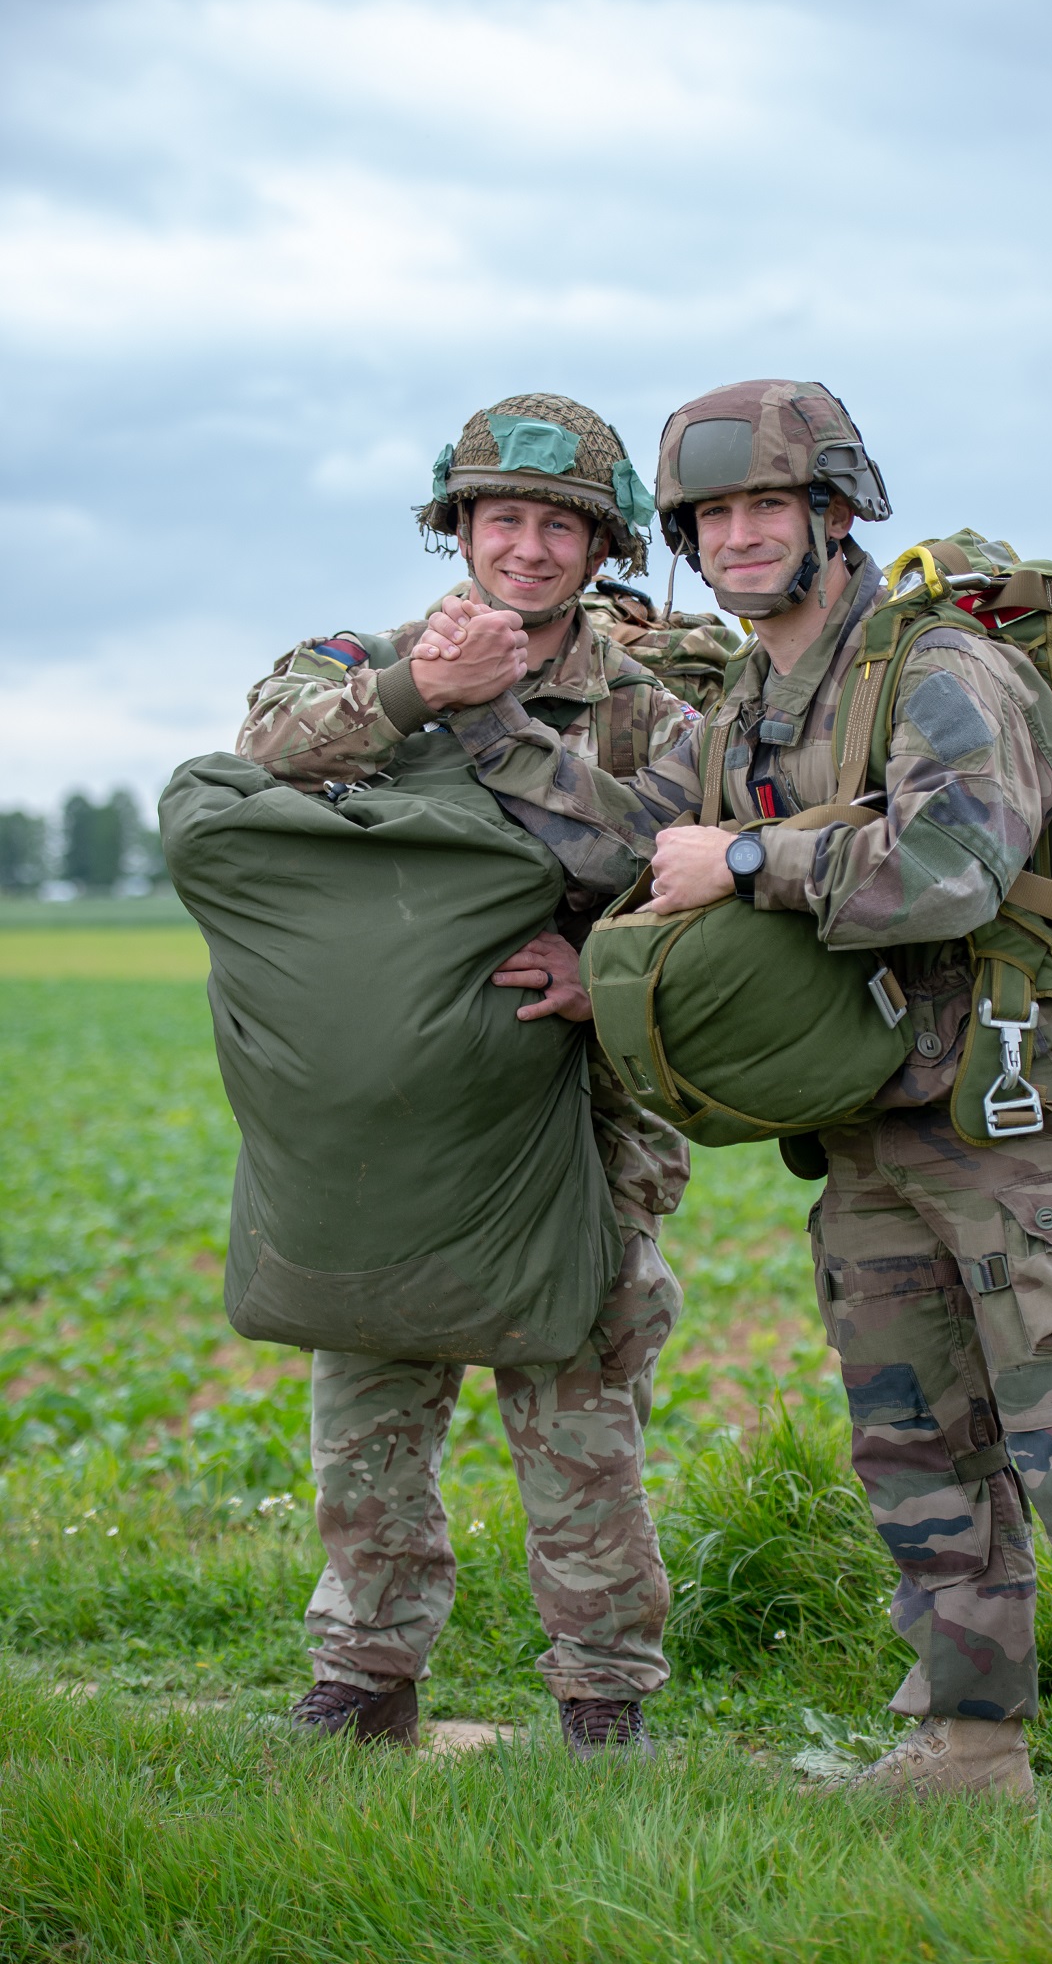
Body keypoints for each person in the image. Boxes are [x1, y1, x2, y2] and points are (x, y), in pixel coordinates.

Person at [428, 378, 1052, 1814]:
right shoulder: (746, 696)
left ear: (836, 510)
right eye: (713, 515)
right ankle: (968, 1738)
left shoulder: (940, 665)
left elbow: (955, 868)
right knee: (913, 1433)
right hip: (869, 1121)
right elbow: (639, 832)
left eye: (767, 507)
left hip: (1005, 1109)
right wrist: (497, 730)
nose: (739, 537)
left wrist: (750, 866)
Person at [237, 393, 699, 1758]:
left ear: (600, 546)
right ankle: (363, 1677)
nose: (532, 548)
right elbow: (259, 753)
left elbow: (681, 861)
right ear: (460, 528)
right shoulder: (368, 663)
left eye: (562, 526)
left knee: (580, 1404)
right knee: (368, 1392)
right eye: (505, 516)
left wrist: (594, 966)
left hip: (577, 1111)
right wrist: (418, 694)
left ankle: (604, 1700)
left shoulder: (654, 704)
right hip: (394, 1113)